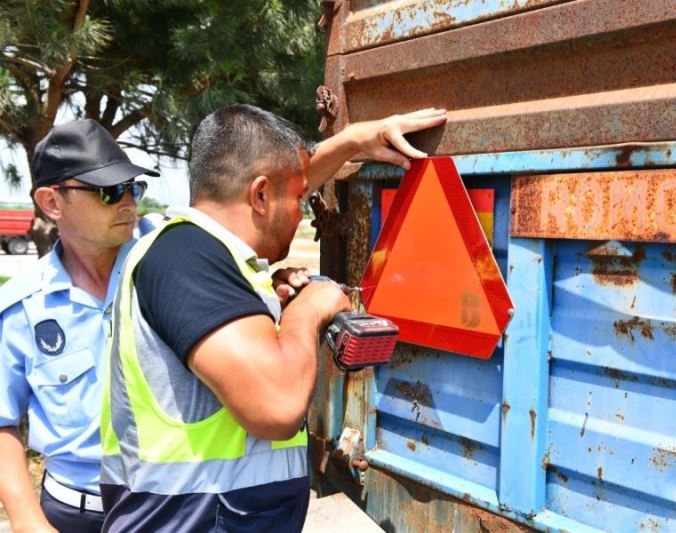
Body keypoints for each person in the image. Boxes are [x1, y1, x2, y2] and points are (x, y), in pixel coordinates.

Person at [100, 105, 446, 532]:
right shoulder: (186, 259)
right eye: (301, 197)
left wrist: (354, 140)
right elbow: (278, 408)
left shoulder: (210, 256)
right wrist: (309, 308)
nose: (303, 211)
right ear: (260, 196)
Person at [0, 119, 160, 532]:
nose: (127, 203)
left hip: (168, 506)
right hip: (71, 513)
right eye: (108, 191)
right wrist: (26, 519)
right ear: (51, 203)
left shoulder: (168, 267)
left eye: (133, 188)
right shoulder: (23, 307)